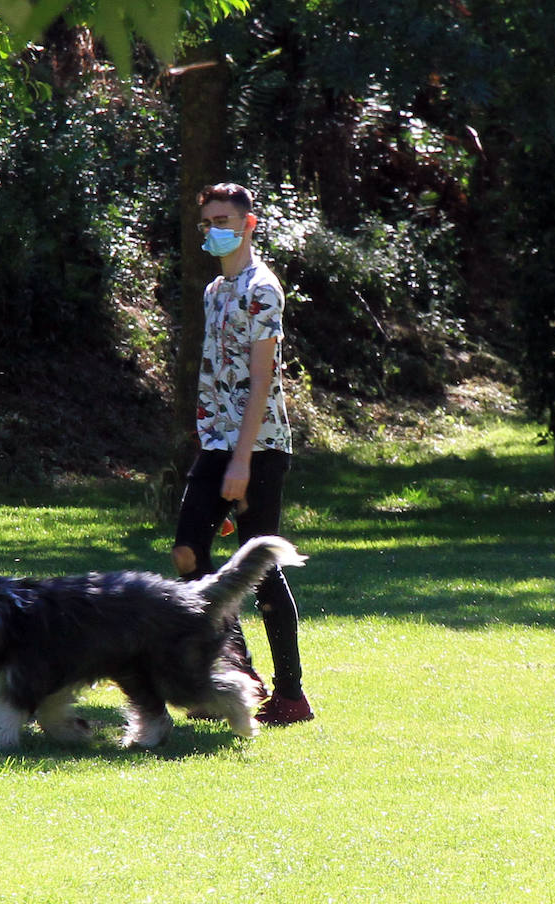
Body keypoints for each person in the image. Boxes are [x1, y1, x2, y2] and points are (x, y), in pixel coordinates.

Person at [172, 182, 313, 725]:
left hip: (258, 447)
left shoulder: (263, 289)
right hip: (216, 444)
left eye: (224, 219)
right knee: (188, 553)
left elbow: (261, 380)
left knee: (259, 563)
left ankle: (291, 694)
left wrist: (242, 460)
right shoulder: (214, 291)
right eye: (207, 221)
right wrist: (212, 444)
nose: (214, 230)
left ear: (250, 224)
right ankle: (239, 672)